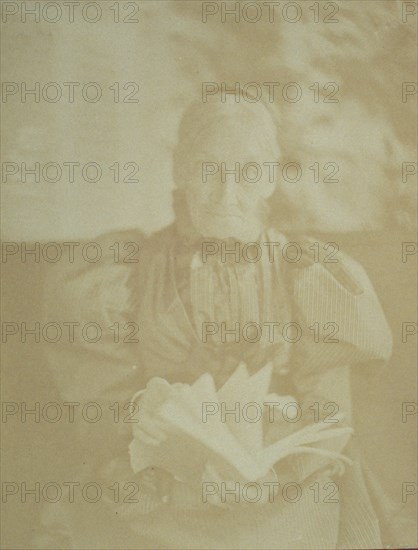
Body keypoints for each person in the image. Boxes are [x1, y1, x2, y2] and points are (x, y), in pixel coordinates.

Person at [41, 96, 399, 549]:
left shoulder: (308, 274)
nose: (227, 194)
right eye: (208, 169)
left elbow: (329, 416)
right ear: (180, 171)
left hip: (281, 491)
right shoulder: (124, 276)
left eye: (249, 172)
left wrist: (270, 476)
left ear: (271, 177)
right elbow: (100, 412)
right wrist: (141, 419)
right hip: (161, 491)